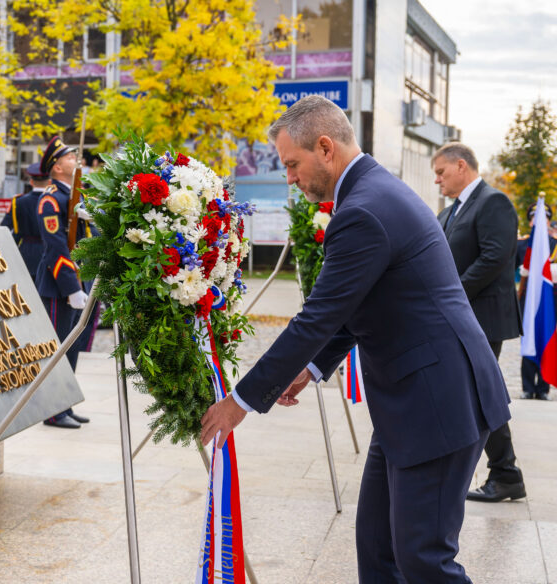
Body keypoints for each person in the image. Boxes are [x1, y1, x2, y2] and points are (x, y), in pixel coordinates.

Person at [200, 96, 511, 582]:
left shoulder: (364, 209)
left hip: (436, 405)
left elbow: (318, 315)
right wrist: (311, 367)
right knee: (378, 550)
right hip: (413, 403)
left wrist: (240, 400)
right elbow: (354, 307)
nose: (290, 178)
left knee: (424, 561)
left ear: (325, 147)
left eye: (292, 164)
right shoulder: (372, 193)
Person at [432, 142, 526, 504]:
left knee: (482, 393)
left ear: (461, 166)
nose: (438, 180)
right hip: (458, 317)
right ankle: (501, 473)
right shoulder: (448, 213)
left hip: (483, 318)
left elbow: (494, 258)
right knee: (472, 393)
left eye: (441, 172)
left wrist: (449, 294)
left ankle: (505, 474)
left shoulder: (493, 202)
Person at [36, 136, 92, 429]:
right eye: (70, 157)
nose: (76, 159)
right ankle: (53, 411)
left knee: (71, 348)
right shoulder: (50, 199)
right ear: (57, 167)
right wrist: (71, 287)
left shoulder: (75, 197)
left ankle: (64, 404)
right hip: (60, 286)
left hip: (77, 282)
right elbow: (56, 246)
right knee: (58, 350)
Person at [517, 203, 556, 401]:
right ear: (530, 220)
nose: (537, 221)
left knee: (546, 338)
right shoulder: (522, 245)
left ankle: (542, 388)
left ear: (547, 221)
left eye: (542, 218)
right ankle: (527, 387)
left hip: (550, 300)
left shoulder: (554, 244)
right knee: (529, 340)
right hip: (527, 300)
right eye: (533, 218)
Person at [0, 164, 48, 282]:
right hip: (49, 250)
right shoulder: (55, 201)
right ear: (50, 182)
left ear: (31, 182)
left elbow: (4, 228)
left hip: (26, 252)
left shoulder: (18, 202)